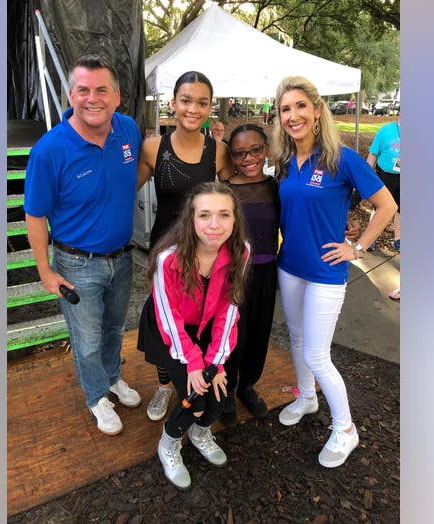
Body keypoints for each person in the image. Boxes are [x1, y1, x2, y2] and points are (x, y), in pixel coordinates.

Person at [271, 76, 397, 468]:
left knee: (316, 353)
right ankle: (307, 397)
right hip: (290, 267)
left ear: (317, 110)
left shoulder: (341, 158)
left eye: (300, 106)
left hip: (326, 272)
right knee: (296, 338)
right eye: (285, 109)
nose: (293, 116)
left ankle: (345, 429)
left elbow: (387, 206)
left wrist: (357, 247)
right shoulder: (284, 160)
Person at [24, 54, 143, 436]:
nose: (93, 98)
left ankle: (112, 377)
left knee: (114, 329)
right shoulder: (49, 150)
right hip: (77, 264)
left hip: (121, 258)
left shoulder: (128, 130)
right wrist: (45, 270)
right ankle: (96, 396)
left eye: (102, 90)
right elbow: (35, 215)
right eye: (84, 90)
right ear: (71, 95)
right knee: (87, 339)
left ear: (117, 96)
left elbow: (130, 176)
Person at [136, 182, 250, 489]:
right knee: (196, 400)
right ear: (191, 218)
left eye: (224, 215)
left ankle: (200, 434)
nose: (215, 225)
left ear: (235, 219)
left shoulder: (241, 251)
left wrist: (216, 361)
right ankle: (168, 444)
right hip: (171, 330)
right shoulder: (168, 259)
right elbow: (168, 317)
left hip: (208, 328)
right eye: (204, 215)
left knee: (219, 396)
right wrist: (195, 363)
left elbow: (229, 309)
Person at [136, 71, 234, 422]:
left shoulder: (218, 151)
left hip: (204, 250)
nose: (193, 109)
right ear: (173, 102)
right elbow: (122, 191)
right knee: (163, 318)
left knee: (198, 317)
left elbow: (237, 195)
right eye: (186, 100)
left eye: (202, 103)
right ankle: (164, 385)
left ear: (210, 107)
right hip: (164, 248)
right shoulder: (153, 147)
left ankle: (195, 376)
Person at [219, 124, 280, 427]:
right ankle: (227, 391)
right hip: (233, 272)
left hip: (267, 271)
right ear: (231, 156)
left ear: (266, 150)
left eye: (255, 150)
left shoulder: (275, 187)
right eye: (240, 153)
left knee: (259, 331)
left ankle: (247, 386)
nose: (248, 158)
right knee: (233, 335)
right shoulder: (224, 190)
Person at [365, 113, 401, 252]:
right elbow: (373, 154)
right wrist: (367, 176)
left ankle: (398, 240)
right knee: (379, 206)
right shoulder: (385, 130)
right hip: (385, 175)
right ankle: (371, 239)